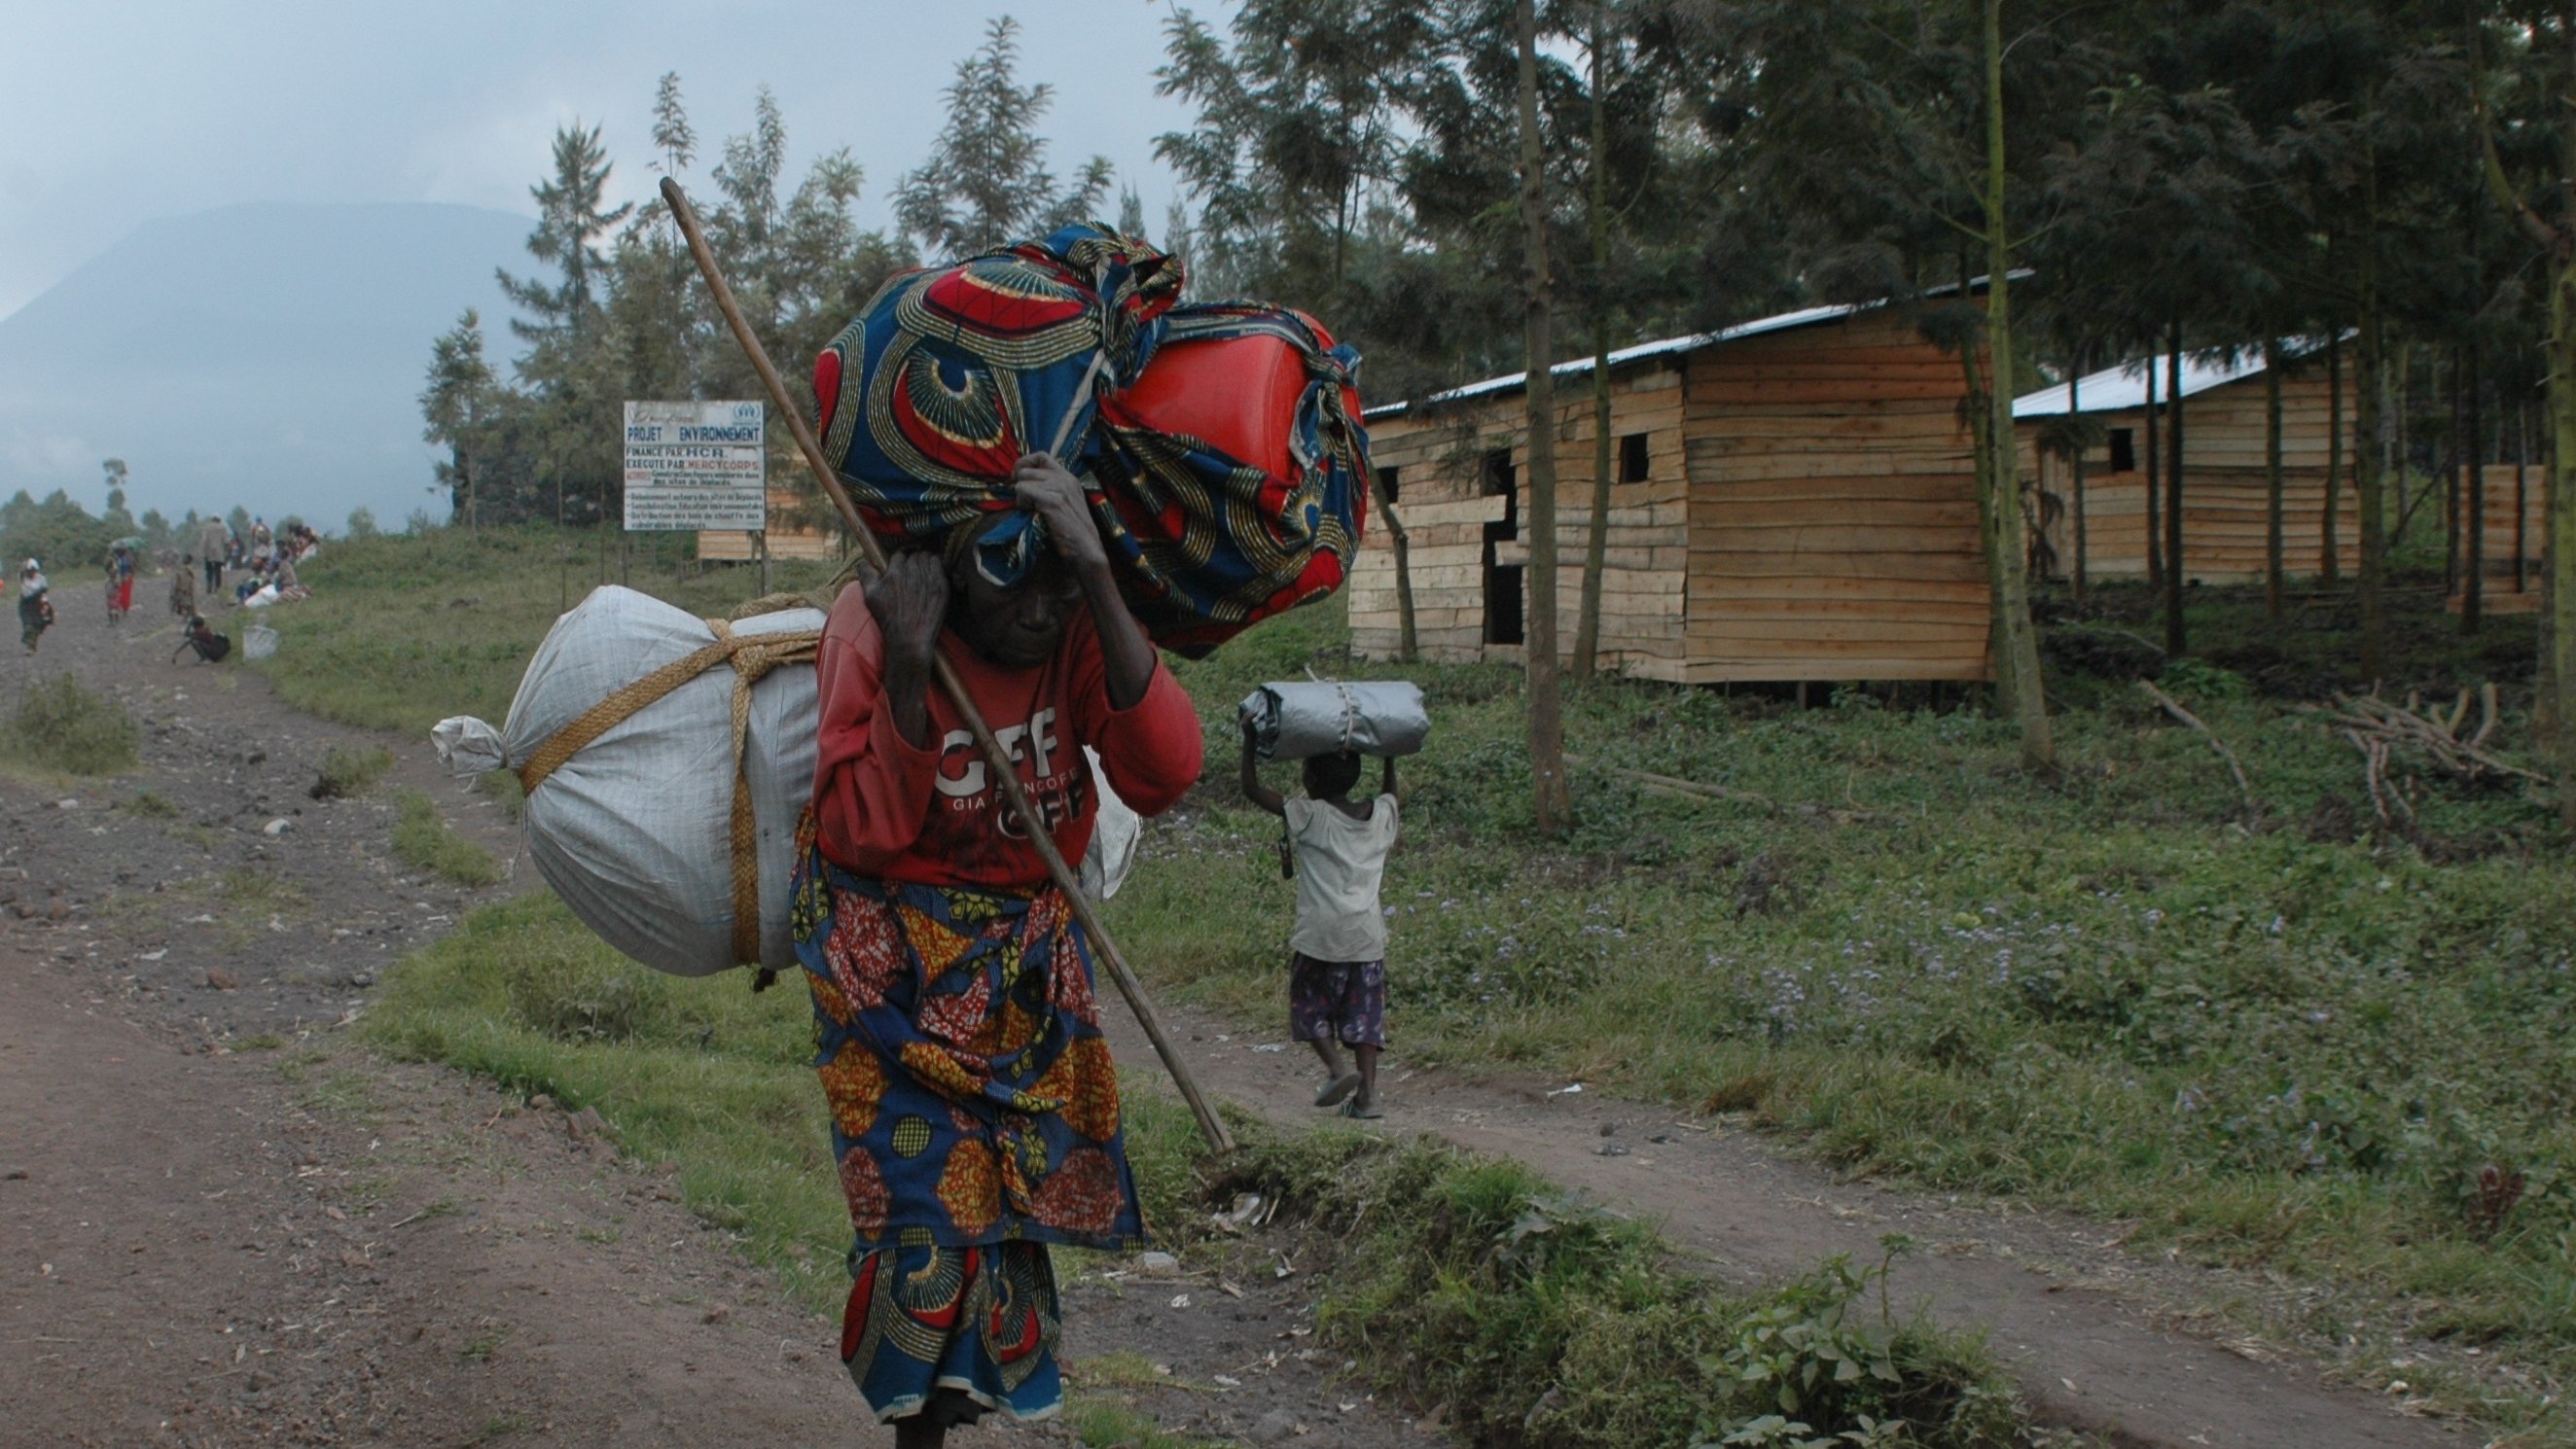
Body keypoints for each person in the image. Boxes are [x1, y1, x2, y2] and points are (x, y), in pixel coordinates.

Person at [796, 451, 1200, 1443]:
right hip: (887, 966)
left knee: (1011, 1205)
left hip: (1023, 965)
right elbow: (862, 830)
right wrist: (907, 665)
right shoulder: (876, 623)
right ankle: (920, 1424)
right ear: (949, 563)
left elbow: (1164, 773)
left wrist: (1095, 576)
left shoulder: (1075, 622)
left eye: (1060, 585)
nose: (1038, 612)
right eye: (1014, 583)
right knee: (925, 1215)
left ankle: (954, 1402)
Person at [1238, 731, 1400, 1119]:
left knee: (1308, 1004)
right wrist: (1389, 756)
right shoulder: (1381, 816)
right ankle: (1368, 1098)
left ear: (1310, 780)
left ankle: (1337, 1068)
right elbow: (1390, 795)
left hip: (1320, 938)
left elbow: (1252, 789)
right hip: (1366, 938)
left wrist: (1250, 739)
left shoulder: (1310, 816)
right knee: (1365, 1016)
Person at [17, 560, 52, 654]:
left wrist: (45, 605)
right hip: (26, 605)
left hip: (37, 604)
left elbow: (44, 593)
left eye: (32, 571)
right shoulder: (23, 577)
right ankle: (30, 648)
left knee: (38, 624)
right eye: (28, 571)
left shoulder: (41, 579)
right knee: (29, 625)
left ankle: (33, 646)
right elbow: (21, 572)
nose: (30, 573)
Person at [197, 516, 230, 595]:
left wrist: (203, 551)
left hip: (208, 552)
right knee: (218, 571)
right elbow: (226, 541)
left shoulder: (206, 527)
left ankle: (209, 586)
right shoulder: (223, 528)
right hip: (219, 553)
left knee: (209, 570)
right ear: (219, 520)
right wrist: (227, 551)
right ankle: (217, 588)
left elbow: (204, 540)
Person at [105, 545, 135, 623]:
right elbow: (106, 568)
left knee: (124, 596)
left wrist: (127, 575)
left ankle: (123, 610)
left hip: (126, 578)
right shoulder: (113, 559)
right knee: (116, 596)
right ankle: (116, 613)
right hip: (116, 578)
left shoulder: (128, 559)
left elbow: (131, 569)